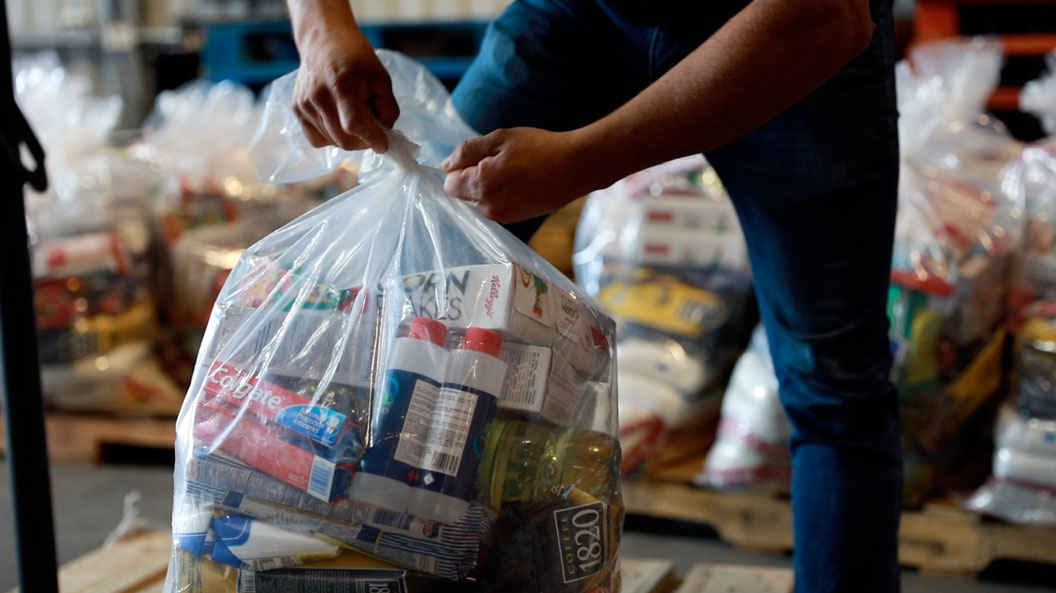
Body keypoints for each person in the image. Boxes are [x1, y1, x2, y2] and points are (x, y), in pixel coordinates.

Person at [286, 1, 903, 591]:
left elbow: (825, 14)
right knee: (405, 295)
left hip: (783, 32)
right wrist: (321, 30)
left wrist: (586, 160)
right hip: (586, 14)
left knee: (830, 384)